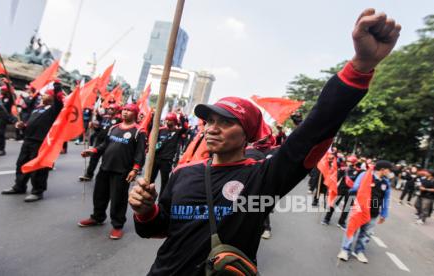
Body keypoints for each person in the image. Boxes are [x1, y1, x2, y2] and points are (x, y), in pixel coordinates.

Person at [128, 9, 401, 274]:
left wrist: (361, 66)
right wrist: (145, 210)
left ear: (246, 132)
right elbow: (157, 229)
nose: (212, 129)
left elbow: (316, 128)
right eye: (210, 121)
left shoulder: (262, 177)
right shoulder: (182, 174)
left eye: (225, 122)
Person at [77, 103, 146, 240]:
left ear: (135, 114)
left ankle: (118, 225)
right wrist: (93, 151)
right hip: (105, 168)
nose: (125, 112)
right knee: (99, 195)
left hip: (122, 171)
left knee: (118, 200)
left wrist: (135, 169)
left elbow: (140, 154)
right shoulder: (113, 128)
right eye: (124, 110)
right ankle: (97, 217)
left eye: (129, 110)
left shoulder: (139, 131)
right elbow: (105, 145)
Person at [0, 81, 64, 202]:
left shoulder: (54, 109)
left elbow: (59, 99)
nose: (42, 96)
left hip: (41, 142)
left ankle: (37, 191)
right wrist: (22, 126)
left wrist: (56, 85)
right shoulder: (37, 109)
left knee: (38, 168)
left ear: (51, 97)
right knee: (21, 164)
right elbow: (31, 124)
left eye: (45, 94)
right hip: (28, 140)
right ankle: (19, 186)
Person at [337, 160, 392, 263]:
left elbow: (386, 199)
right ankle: (345, 250)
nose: (390, 172)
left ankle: (359, 251)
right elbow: (355, 188)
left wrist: (384, 214)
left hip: (374, 211)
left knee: (367, 233)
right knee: (352, 229)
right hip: (360, 208)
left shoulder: (386, 182)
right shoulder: (365, 175)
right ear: (383, 170)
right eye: (389, 170)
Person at [79, 104, 121, 181]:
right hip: (99, 141)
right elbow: (99, 129)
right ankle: (88, 175)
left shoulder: (119, 120)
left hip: (110, 142)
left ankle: (103, 178)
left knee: (106, 160)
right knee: (93, 158)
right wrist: (94, 127)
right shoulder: (105, 117)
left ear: (117, 110)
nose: (110, 110)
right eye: (109, 108)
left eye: (112, 109)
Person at [150, 112, 188, 194]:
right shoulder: (161, 130)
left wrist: (182, 116)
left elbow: (185, 127)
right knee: (151, 179)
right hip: (156, 159)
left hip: (166, 161)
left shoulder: (178, 132)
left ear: (174, 121)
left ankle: (162, 201)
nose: (167, 122)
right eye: (166, 120)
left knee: (165, 182)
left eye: (170, 120)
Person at [322, 155, 360, 229]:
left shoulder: (358, 171)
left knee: (347, 207)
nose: (348, 163)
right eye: (348, 161)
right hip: (341, 189)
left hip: (351, 191)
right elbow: (335, 178)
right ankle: (326, 219)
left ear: (354, 163)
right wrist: (330, 188)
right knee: (334, 204)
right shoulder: (343, 169)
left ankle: (341, 222)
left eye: (350, 162)